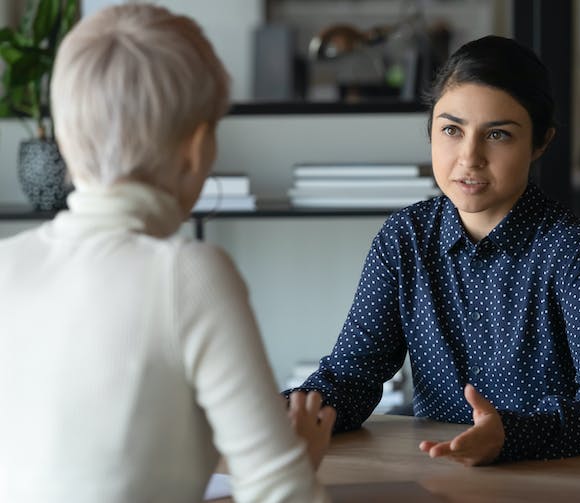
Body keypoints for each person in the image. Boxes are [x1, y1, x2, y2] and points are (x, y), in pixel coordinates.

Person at [0, 4, 334, 502]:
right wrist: (295, 466)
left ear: (66, 141)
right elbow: (280, 495)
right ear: (198, 149)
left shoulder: (8, 262)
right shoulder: (188, 273)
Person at [287, 35, 580, 466]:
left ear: (540, 143)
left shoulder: (570, 250)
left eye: (497, 135)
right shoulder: (405, 238)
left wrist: (511, 436)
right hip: (440, 471)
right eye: (451, 130)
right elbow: (351, 378)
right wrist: (279, 413)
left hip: (549, 476)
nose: (469, 157)